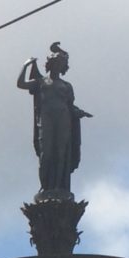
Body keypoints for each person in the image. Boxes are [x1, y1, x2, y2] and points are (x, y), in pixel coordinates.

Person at [16, 42, 92, 198]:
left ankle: (58, 187)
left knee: (61, 153)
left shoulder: (67, 85)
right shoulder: (41, 81)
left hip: (63, 119)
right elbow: (21, 84)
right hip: (46, 119)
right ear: (49, 64)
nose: (57, 65)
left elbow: (70, 106)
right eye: (55, 62)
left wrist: (79, 112)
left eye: (61, 63)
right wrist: (26, 65)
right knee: (46, 153)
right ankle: (46, 187)